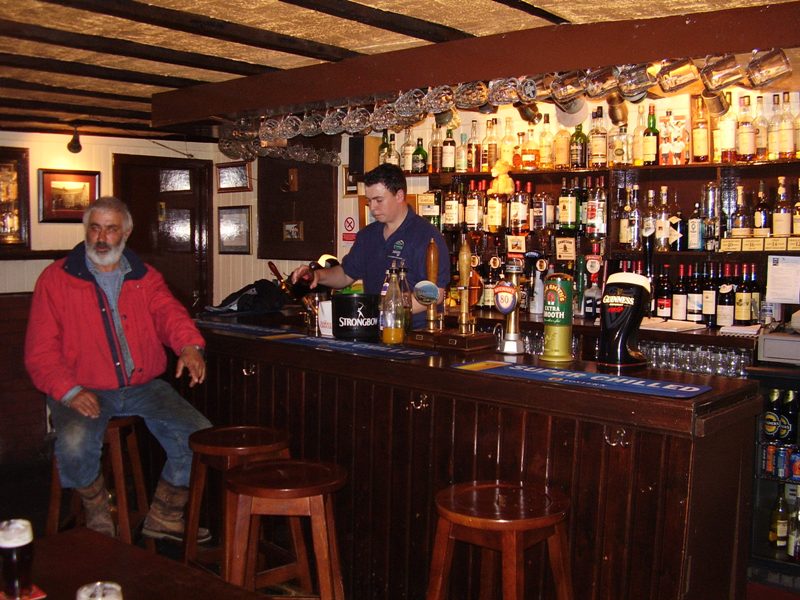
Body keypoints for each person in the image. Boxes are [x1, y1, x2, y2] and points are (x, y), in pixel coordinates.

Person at [24, 197, 212, 543]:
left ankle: (165, 514)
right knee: (75, 443)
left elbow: (168, 313)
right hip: (83, 386)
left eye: (110, 229)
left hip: (142, 385)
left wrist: (189, 346)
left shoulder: (145, 276)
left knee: (199, 434)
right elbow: (40, 352)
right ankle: (96, 511)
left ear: (126, 232)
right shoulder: (56, 279)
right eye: (95, 227)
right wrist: (69, 392)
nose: (101, 237)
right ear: (86, 230)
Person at [291, 163, 450, 328]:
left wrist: (385, 308)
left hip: (416, 335)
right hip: (375, 331)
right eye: (369, 201)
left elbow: (435, 294)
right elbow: (346, 274)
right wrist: (317, 276)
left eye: (379, 200)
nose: (372, 208)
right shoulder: (368, 235)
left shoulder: (426, 236)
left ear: (400, 195)